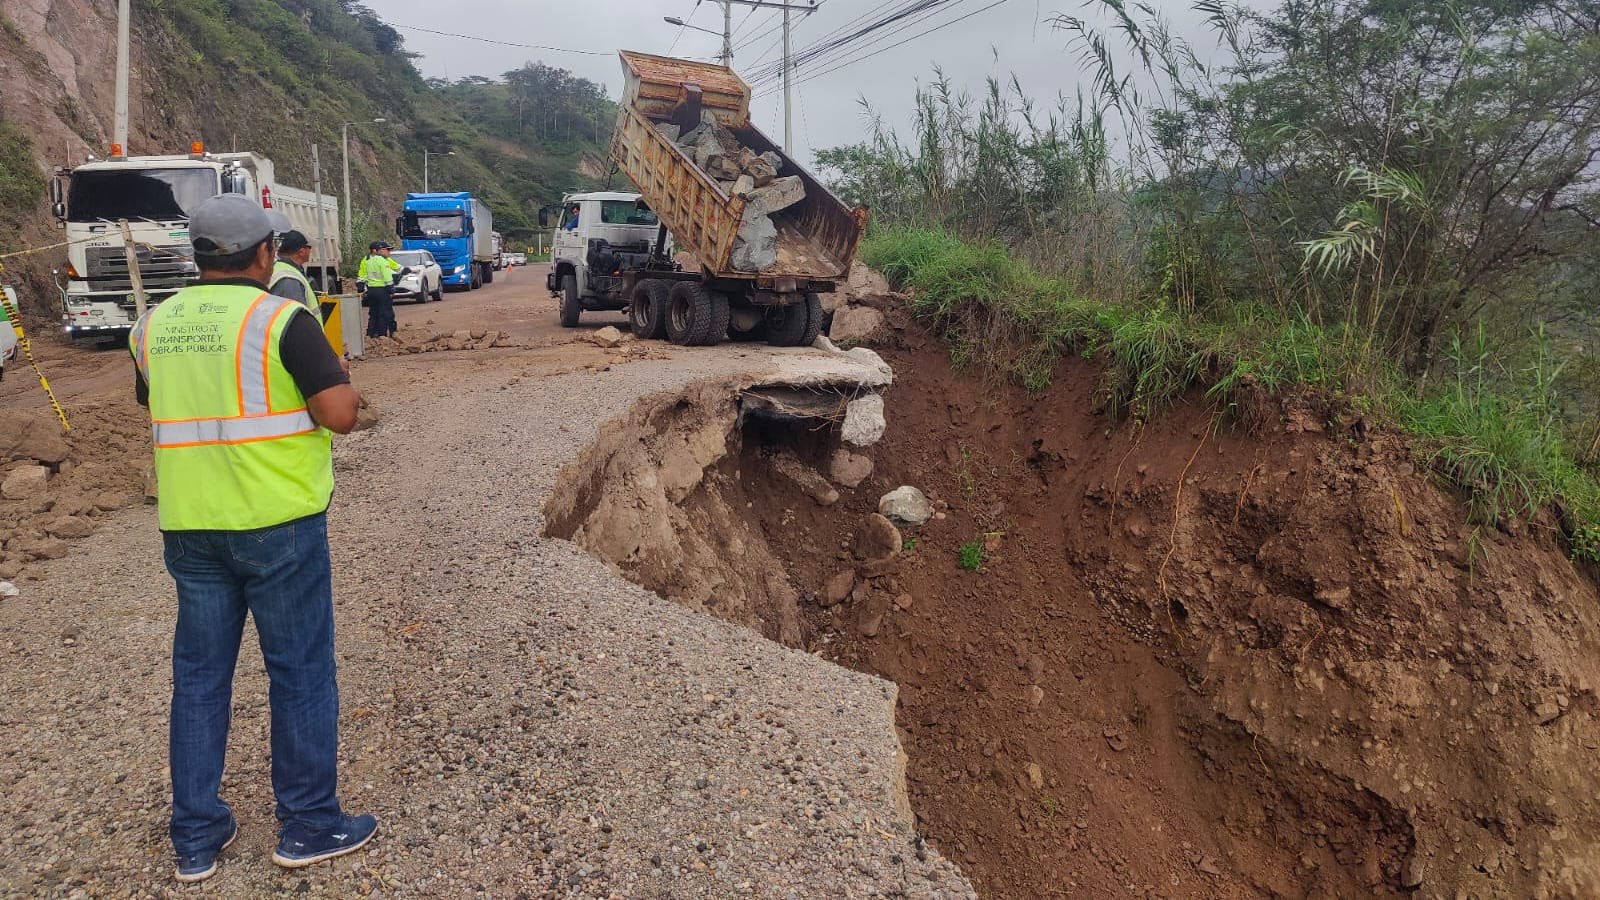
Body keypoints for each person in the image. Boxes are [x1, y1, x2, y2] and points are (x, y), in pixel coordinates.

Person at [127, 194, 375, 884]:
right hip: (278, 524)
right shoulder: (283, 320)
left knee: (200, 680)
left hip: (191, 528)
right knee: (298, 673)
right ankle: (309, 824)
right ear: (265, 253)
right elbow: (340, 414)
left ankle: (197, 838)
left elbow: (160, 404)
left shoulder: (151, 326)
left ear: (196, 255)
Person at [269, 230, 322, 324]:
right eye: (309, 247)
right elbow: (298, 321)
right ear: (301, 252)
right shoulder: (289, 279)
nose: (311, 250)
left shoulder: (279, 269)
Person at [357, 241, 403, 339]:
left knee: (373, 314)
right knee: (384, 313)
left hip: (371, 290)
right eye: (386, 250)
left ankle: (370, 335)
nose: (388, 252)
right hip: (381, 290)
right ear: (378, 251)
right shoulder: (383, 261)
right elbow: (387, 277)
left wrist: (361, 288)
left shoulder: (368, 261)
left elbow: (363, 275)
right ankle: (383, 335)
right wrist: (391, 289)